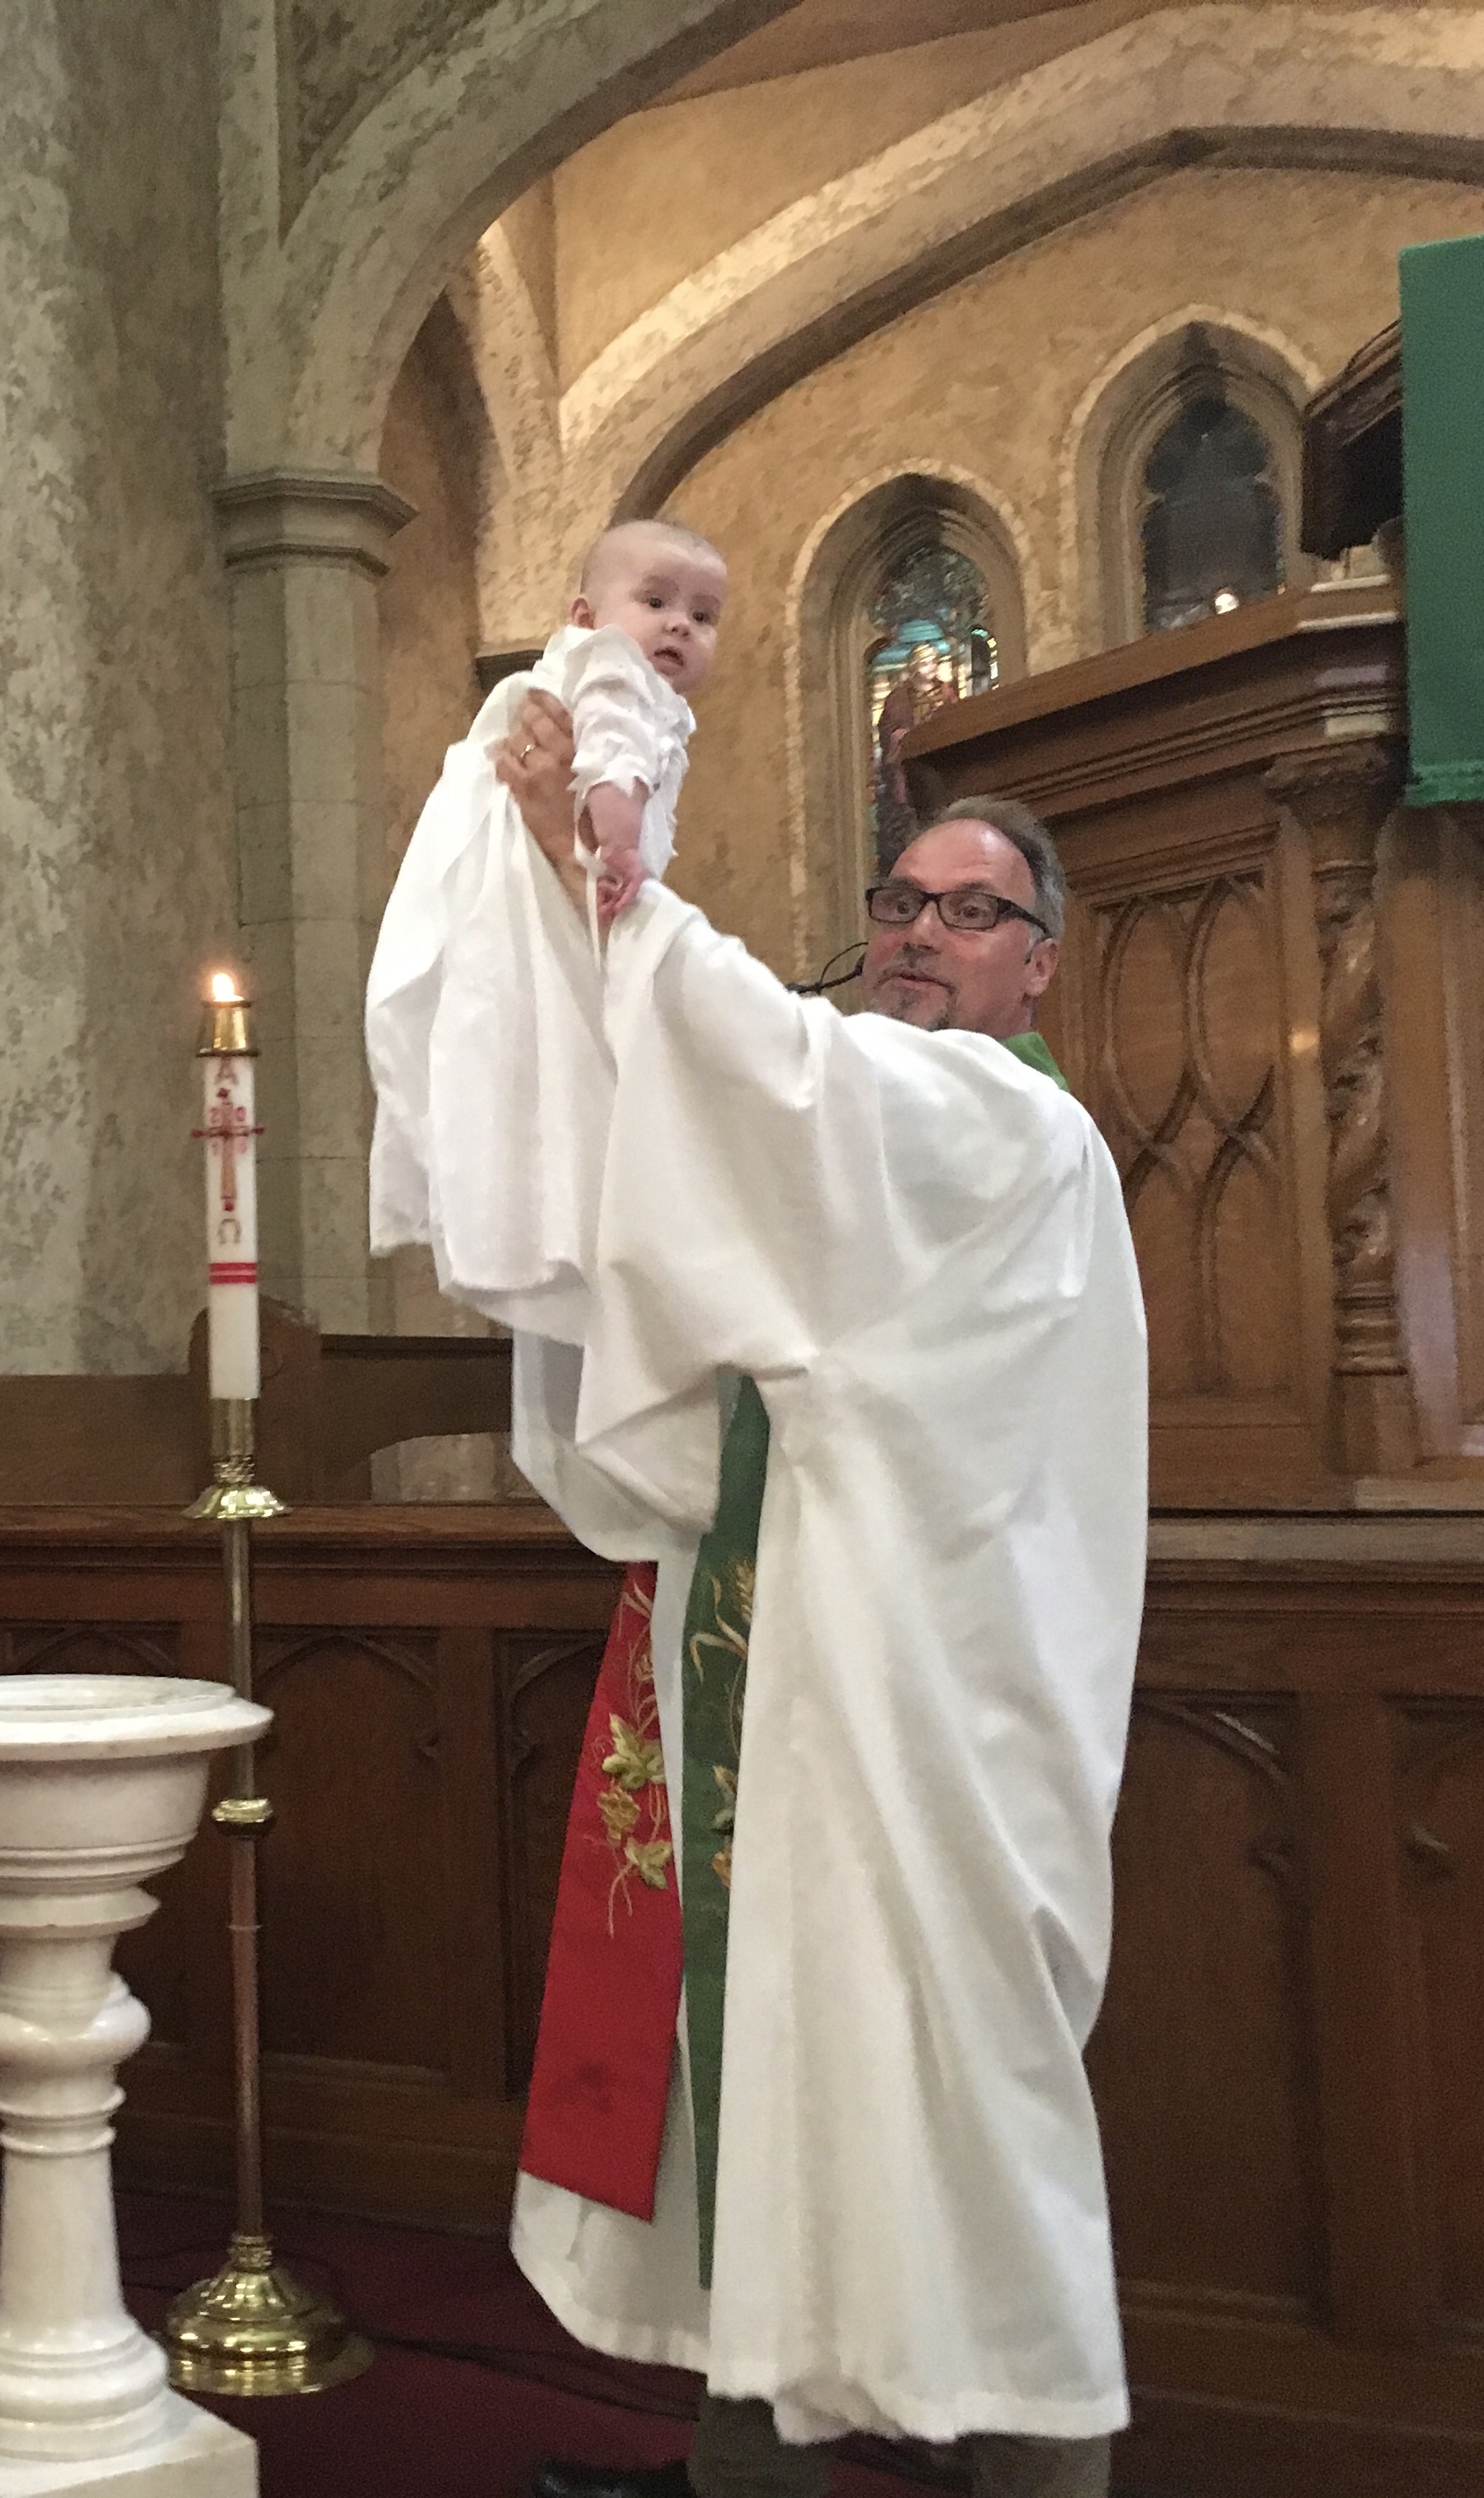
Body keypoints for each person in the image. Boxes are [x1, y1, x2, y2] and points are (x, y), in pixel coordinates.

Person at [469, 699, 1149, 2498]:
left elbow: (779, 1083)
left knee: (969, 2122)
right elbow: (700, 1196)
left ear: (1040, 965)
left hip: (934, 1717)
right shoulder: (879, 1127)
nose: (918, 933)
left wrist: (618, 895)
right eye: (896, 902)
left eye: (970, 911)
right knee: (755, 2081)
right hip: (801, 1676)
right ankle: (740, 2469)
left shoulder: (998, 1126)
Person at [365, 520, 726, 1318]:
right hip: (539, 881)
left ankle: (521, 1217)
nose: (679, 625)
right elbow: (610, 756)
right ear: (584, 617)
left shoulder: (633, 687)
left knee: (524, 1067)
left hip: (549, 889)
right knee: (557, 1072)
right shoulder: (612, 670)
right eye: (656, 602)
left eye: (702, 616)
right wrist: (619, 847)